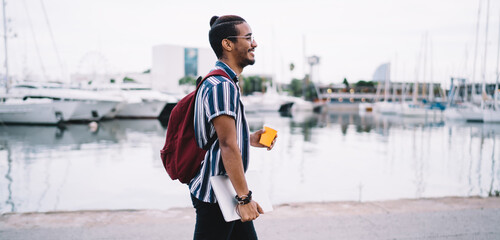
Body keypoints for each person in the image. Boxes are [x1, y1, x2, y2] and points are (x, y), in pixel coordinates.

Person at [190, 15, 276, 240]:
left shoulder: (222, 82)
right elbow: (227, 145)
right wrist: (244, 199)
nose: (254, 44)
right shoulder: (222, 86)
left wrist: (248, 138)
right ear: (227, 44)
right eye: (248, 38)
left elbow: (221, 137)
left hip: (226, 188)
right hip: (218, 194)